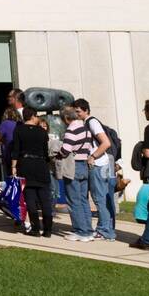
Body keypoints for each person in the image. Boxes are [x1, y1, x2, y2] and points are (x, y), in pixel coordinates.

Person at [74, 99, 116, 242]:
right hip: (101, 164)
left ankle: (105, 231)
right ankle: (106, 229)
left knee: (99, 199)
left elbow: (106, 143)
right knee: (101, 198)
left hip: (98, 164)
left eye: (78, 111)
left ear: (86, 110)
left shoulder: (92, 122)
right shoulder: (88, 122)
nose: (77, 114)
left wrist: (92, 156)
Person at [10, 108, 54, 238]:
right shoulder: (42, 131)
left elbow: (16, 149)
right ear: (33, 116)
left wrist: (14, 166)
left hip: (25, 164)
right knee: (45, 198)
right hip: (40, 164)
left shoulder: (18, 130)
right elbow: (46, 152)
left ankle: (35, 228)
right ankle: (48, 229)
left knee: (29, 197)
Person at [57, 103, 95, 242]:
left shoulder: (71, 129)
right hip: (84, 164)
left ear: (66, 118)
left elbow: (66, 149)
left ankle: (81, 231)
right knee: (83, 199)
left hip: (74, 166)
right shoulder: (85, 129)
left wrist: (58, 154)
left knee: (73, 200)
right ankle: (88, 230)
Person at [129, 99, 149, 251]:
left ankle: (145, 241)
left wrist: (143, 149)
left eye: (145, 111)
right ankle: (145, 241)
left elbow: (148, 152)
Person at [0, 106, 19, 179]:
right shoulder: (20, 124)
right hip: (20, 155)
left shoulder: (5, 123)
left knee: (8, 178)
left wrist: (3, 142)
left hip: (8, 155)